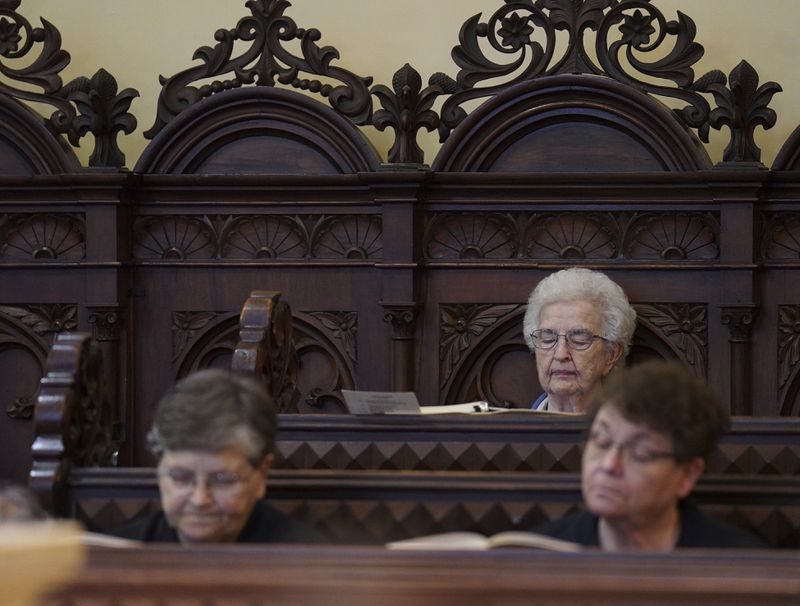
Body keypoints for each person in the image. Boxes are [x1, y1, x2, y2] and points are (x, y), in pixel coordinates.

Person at [534, 360, 765, 549]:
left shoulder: (743, 569)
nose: (609, 465)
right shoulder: (536, 556)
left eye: (640, 453)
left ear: (686, 475)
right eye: (602, 442)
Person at [113, 368, 324, 544]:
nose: (199, 500)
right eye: (180, 477)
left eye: (222, 480)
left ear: (260, 475)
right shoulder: (117, 556)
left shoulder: (314, 564)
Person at [523, 267, 637, 413]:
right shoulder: (507, 433)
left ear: (611, 354)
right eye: (548, 339)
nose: (560, 354)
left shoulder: (633, 434)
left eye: (579, 340)